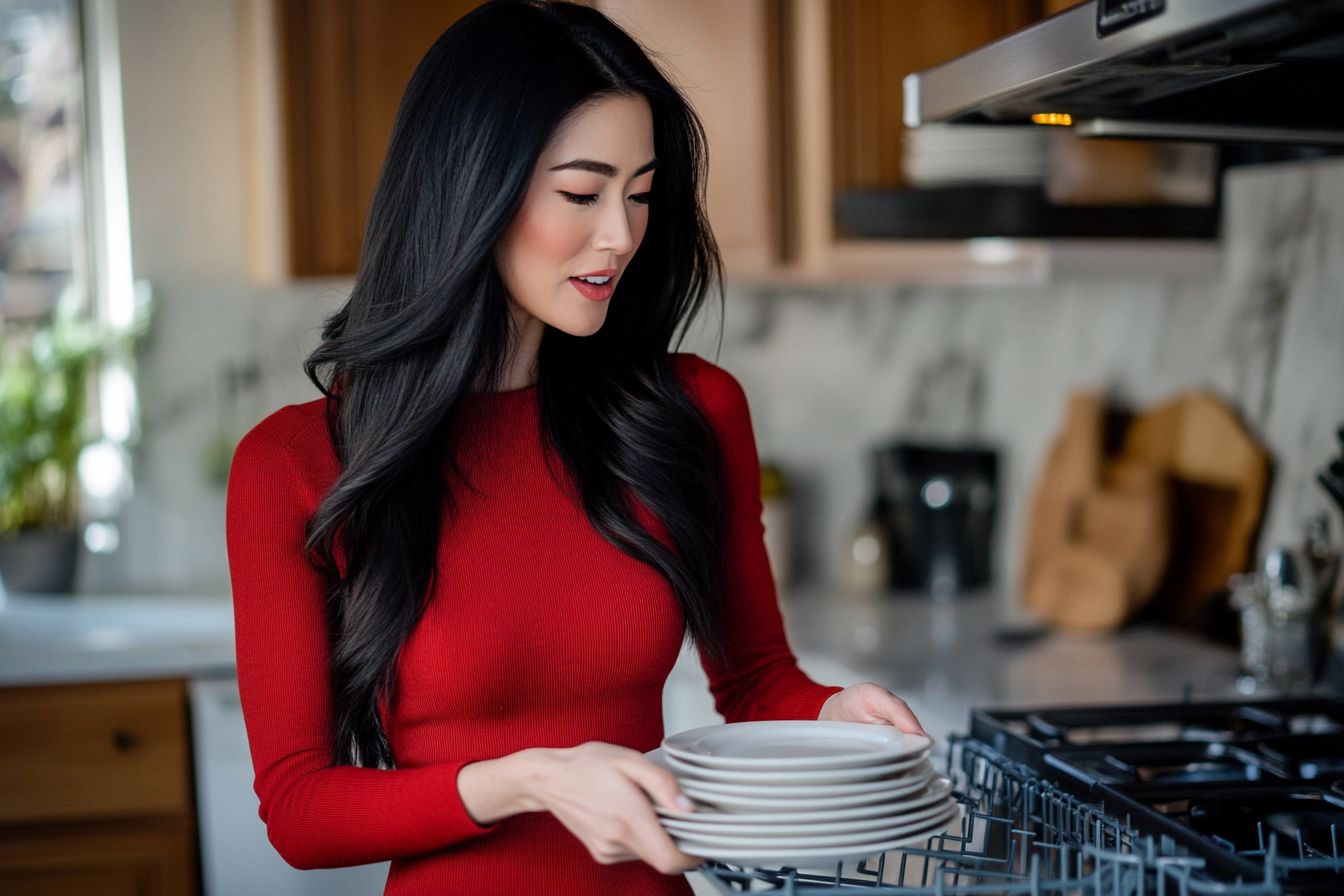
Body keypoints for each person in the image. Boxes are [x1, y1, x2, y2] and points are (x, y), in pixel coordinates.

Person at [226, 2, 925, 894]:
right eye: (582, 193)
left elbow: (754, 680)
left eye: (639, 193)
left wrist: (834, 711)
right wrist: (531, 780)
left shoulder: (691, 412)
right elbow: (299, 810)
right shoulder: (295, 463)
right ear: (473, 191)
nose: (622, 236)